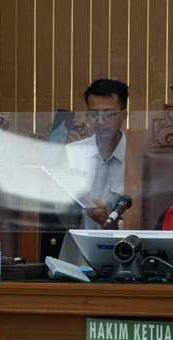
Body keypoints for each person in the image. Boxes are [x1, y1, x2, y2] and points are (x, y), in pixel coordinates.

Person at [63, 78, 129, 229]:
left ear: (123, 115)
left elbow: (142, 222)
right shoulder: (71, 154)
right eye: (94, 114)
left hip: (118, 248)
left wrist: (107, 221)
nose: (100, 121)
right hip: (76, 246)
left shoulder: (135, 160)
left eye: (108, 114)